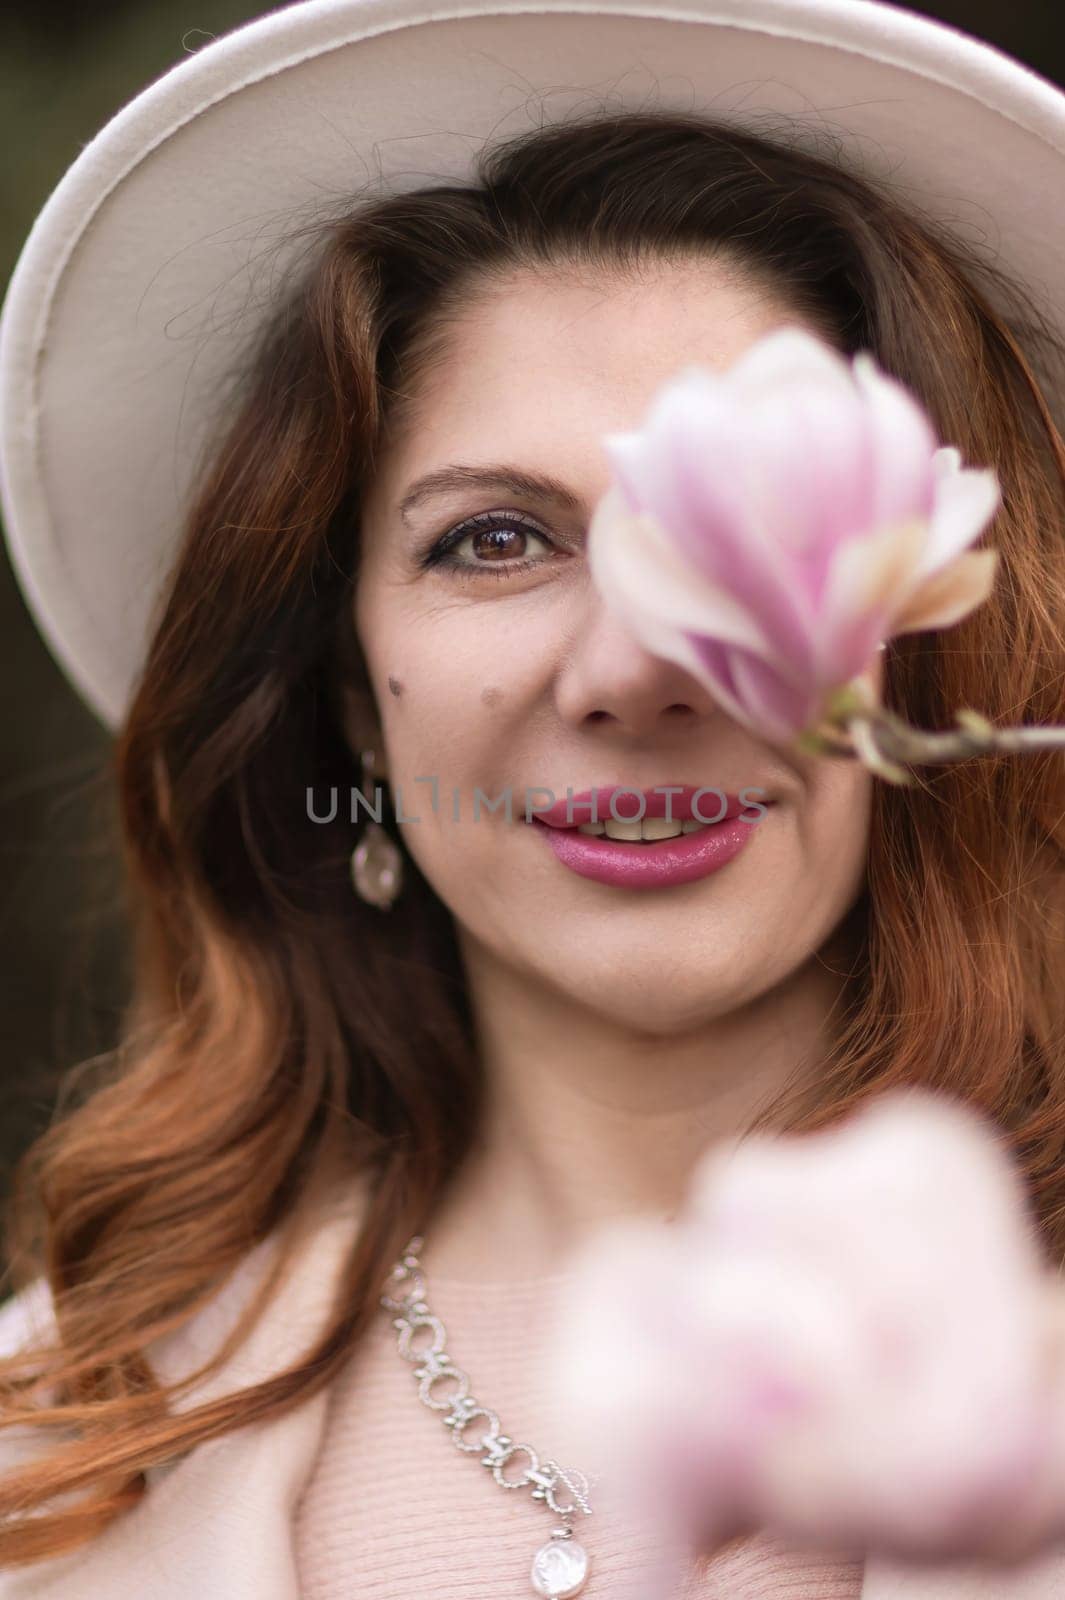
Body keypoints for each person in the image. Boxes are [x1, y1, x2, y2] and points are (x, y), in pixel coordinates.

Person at [0, 1, 1064, 1596]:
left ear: (924, 630)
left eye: (735, 524)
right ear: (355, 705)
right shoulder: (52, 1433)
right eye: (494, 539)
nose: (633, 670)